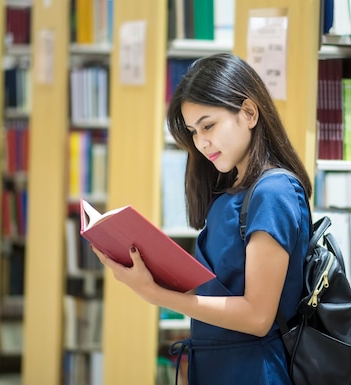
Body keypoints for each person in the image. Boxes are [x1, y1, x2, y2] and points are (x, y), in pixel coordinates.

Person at [93, 53, 312, 384]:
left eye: (209, 125)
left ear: (249, 113)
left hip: (253, 370)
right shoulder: (233, 188)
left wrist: (156, 295)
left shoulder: (274, 191)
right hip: (218, 364)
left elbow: (257, 316)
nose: (201, 141)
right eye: (194, 131)